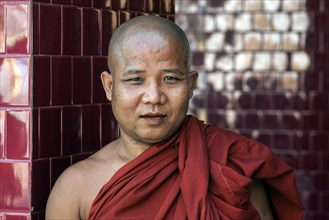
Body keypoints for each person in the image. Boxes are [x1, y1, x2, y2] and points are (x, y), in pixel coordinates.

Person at [46, 15, 304, 219]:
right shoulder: (75, 189)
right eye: (135, 80)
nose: (154, 96)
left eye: (170, 79)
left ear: (191, 84)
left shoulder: (232, 168)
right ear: (109, 86)